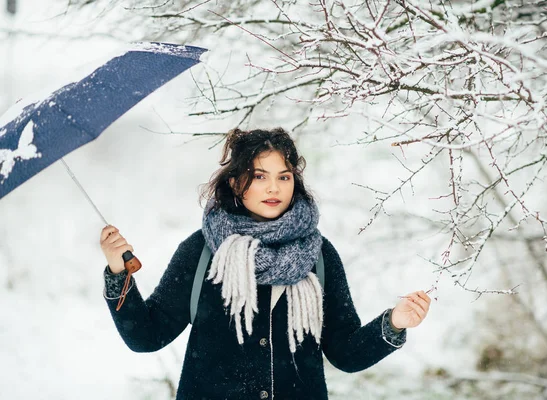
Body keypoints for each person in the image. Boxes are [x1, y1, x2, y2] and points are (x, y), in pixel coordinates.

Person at [100, 127, 431, 400]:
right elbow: (146, 336)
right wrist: (118, 273)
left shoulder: (317, 254)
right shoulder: (203, 251)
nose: (274, 187)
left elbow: (345, 352)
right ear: (234, 182)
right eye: (259, 176)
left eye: (284, 177)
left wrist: (393, 323)